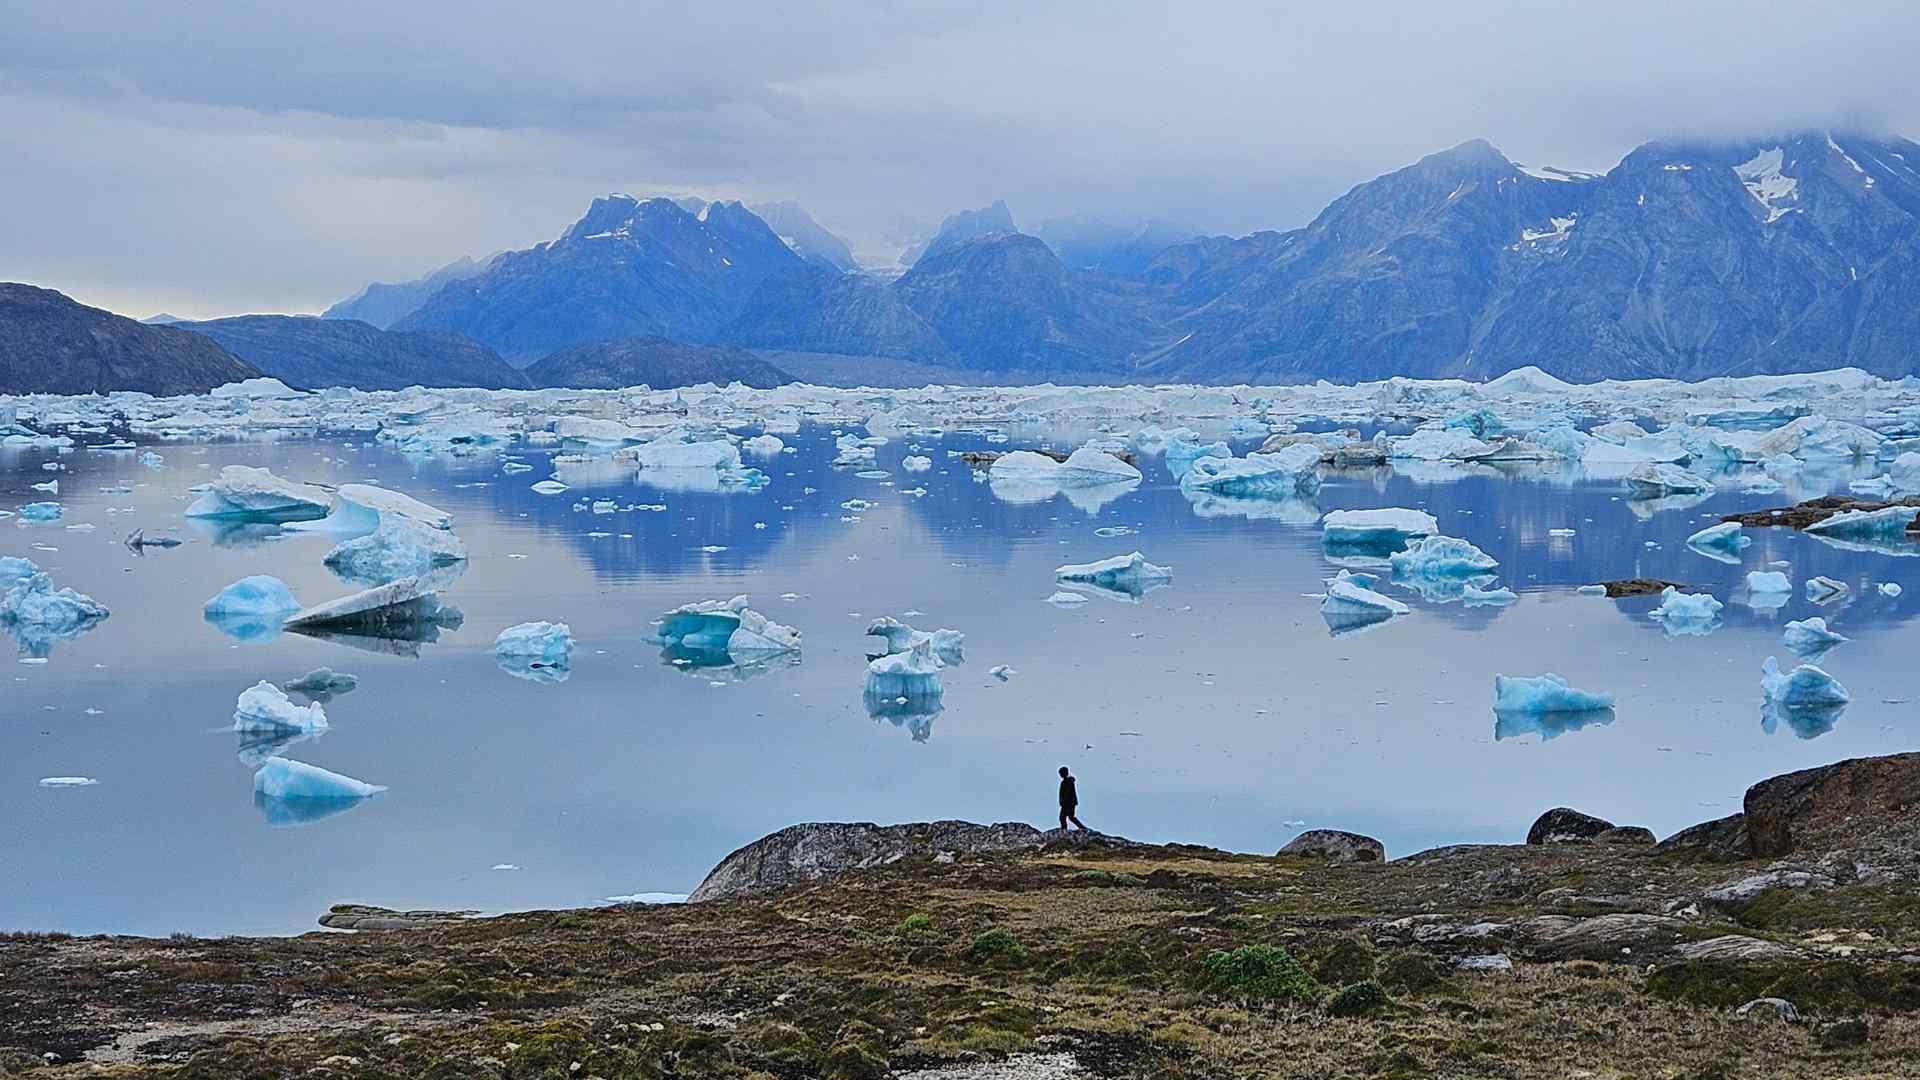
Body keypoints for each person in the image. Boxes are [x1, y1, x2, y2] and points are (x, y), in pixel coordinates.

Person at [1057, 766, 1086, 831]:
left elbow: (1067, 793)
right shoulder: (1065, 782)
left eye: (1061, 773)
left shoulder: (1068, 781)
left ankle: (1081, 828)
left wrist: (1064, 802)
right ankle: (1065, 829)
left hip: (1069, 803)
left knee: (1065, 817)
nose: (1061, 775)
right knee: (1067, 817)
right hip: (1067, 803)